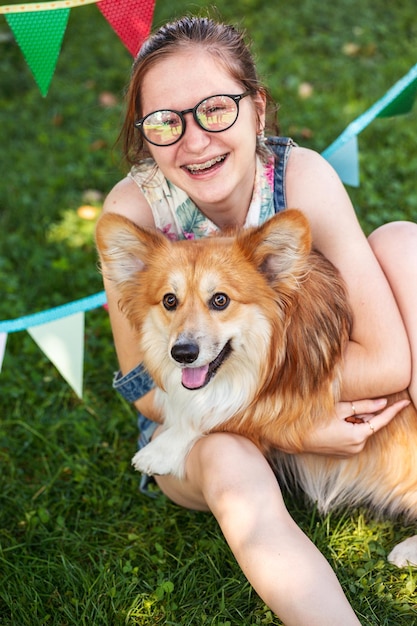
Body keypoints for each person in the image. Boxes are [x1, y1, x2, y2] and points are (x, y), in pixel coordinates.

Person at [98, 15, 417, 626]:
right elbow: (146, 388)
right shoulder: (133, 212)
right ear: (145, 135)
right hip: (191, 427)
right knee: (226, 459)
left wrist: (292, 411)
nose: (194, 141)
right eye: (166, 122)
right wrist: (293, 430)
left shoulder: (300, 180)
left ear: (257, 109)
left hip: (294, 379)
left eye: (215, 109)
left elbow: (387, 362)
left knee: (403, 244)